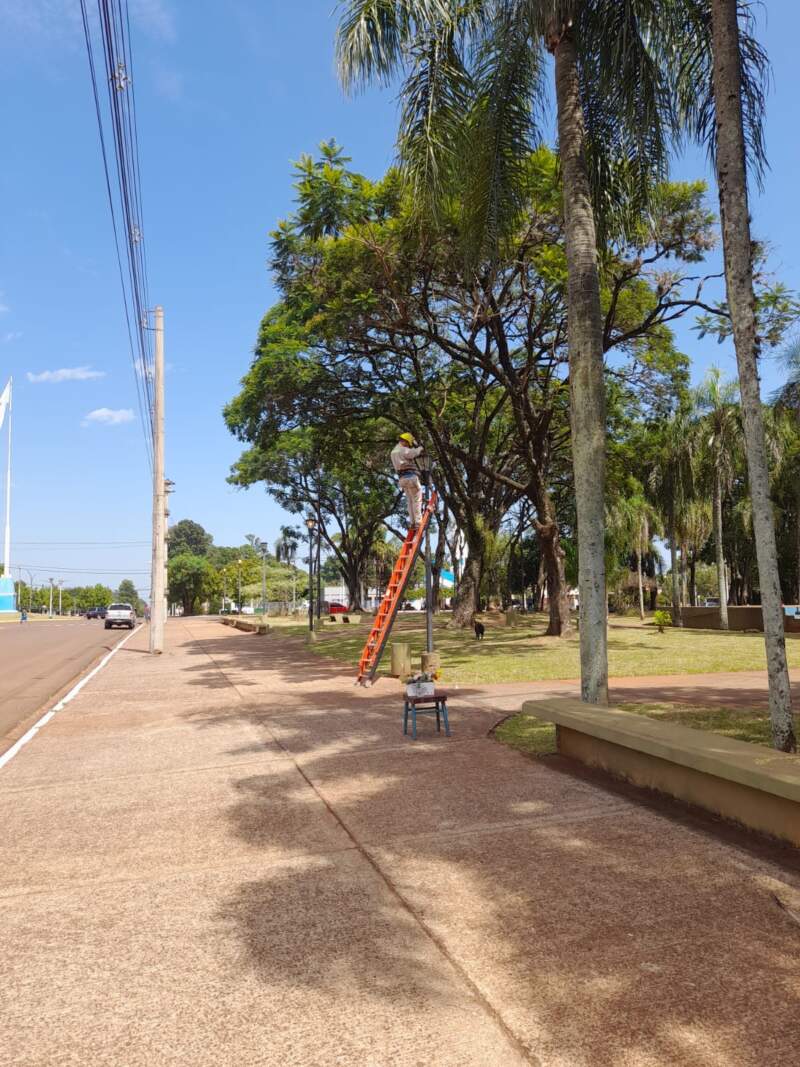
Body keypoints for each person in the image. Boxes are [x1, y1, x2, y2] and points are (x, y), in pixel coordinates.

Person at [391, 431, 424, 529]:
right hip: (410, 477)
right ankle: (418, 522)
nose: (408, 446)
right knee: (417, 500)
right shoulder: (403, 450)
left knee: (409, 501)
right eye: (408, 444)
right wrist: (420, 447)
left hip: (402, 479)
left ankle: (412, 522)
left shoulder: (393, 452)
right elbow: (413, 453)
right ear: (405, 441)